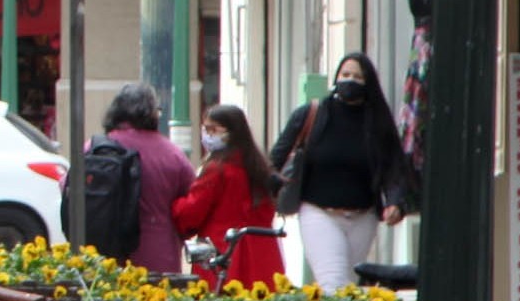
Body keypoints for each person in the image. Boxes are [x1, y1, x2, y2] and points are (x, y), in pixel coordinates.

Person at [268, 51, 414, 287]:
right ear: (336, 78)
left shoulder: (378, 123)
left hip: (363, 217)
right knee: (332, 282)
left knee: (347, 285)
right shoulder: (311, 116)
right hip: (319, 212)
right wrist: (268, 191)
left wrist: (395, 202)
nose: (350, 81)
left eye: (357, 76)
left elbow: (393, 168)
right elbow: (275, 159)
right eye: (345, 74)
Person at [173, 103, 285, 287]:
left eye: (213, 129)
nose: (208, 135)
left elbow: (191, 213)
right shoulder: (259, 167)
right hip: (262, 254)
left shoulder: (217, 170)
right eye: (205, 129)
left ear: (230, 132)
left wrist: (175, 205)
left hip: (223, 252)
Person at [99, 83, 194, 275]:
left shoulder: (96, 149)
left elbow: (68, 186)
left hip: (104, 252)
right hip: (159, 254)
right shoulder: (172, 155)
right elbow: (193, 202)